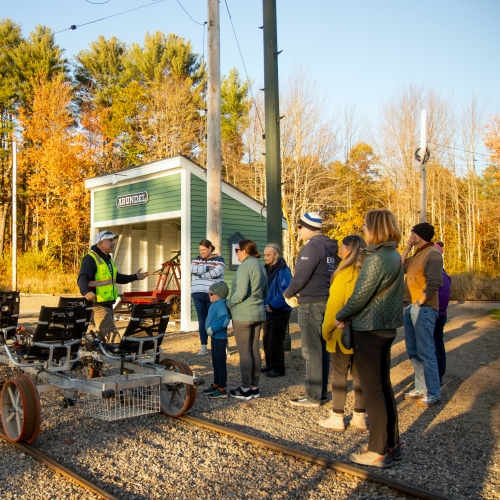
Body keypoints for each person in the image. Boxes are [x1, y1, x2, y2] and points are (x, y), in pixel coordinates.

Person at [336, 209, 403, 468]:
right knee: (383, 387)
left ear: (375, 227)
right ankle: (392, 443)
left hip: (370, 330)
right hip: (385, 329)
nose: (363, 229)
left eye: (365, 225)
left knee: (373, 390)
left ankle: (377, 449)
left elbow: (360, 295)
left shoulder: (376, 259)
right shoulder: (394, 254)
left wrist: (341, 316)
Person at [283, 212, 338, 408]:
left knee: (310, 350)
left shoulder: (313, 247)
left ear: (308, 228)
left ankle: (314, 396)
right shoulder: (330, 248)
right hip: (324, 301)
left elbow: (301, 275)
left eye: (299, 227)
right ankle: (320, 393)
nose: (297, 231)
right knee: (321, 349)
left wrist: (288, 293)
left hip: (311, 303)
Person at [320, 235, 367, 433]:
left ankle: (337, 416)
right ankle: (359, 416)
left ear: (350, 250)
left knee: (339, 375)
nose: (339, 251)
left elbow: (334, 308)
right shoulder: (367, 273)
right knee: (359, 376)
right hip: (363, 332)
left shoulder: (344, 275)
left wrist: (326, 330)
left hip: (342, 333)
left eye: (342, 248)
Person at [78, 230, 149, 343]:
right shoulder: (90, 258)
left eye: (113, 240)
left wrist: (135, 276)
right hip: (97, 306)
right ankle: (119, 359)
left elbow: (118, 277)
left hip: (108, 305)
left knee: (101, 340)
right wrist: (85, 291)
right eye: (110, 240)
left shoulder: (107, 259)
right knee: (114, 340)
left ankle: (90, 357)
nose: (113, 243)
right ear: (100, 243)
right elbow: (82, 277)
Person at [401, 222, 443, 408]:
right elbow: (399, 267)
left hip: (423, 308)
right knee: (413, 351)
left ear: (420, 235)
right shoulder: (417, 253)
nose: (411, 235)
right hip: (410, 307)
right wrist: (408, 247)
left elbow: (435, 282)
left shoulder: (433, 254)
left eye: (413, 233)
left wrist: (421, 301)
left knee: (426, 351)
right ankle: (420, 388)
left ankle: (433, 392)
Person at [227, 239, 267, 400]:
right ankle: (254, 387)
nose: (236, 253)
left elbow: (241, 292)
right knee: (254, 349)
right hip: (258, 312)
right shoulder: (261, 266)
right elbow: (266, 290)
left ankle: (244, 389)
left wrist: (228, 303)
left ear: (243, 251)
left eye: (237, 250)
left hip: (243, 314)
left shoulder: (244, 266)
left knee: (244, 351)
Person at [190, 239, 226, 356]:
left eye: (204, 250)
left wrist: (200, 274)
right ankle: (203, 346)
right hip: (198, 293)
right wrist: (207, 268)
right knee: (202, 320)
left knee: (215, 319)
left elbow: (217, 273)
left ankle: (219, 345)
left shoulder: (219, 259)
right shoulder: (197, 259)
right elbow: (192, 269)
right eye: (200, 250)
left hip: (213, 294)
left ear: (210, 248)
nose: (202, 252)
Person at [261, 244, 292, 378]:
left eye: (268, 255)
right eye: (265, 254)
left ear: (276, 255)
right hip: (269, 310)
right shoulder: (267, 269)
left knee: (275, 341)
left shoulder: (283, 270)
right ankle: (270, 364)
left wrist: (273, 305)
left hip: (279, 311)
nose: (265, 257)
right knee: (267, 339)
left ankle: (278, 368)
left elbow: (286, 290)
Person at [203, 282, 230, 399]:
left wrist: (212, 329)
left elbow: (225, 320)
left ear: (219, 294)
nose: (209, 296)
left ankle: (222, 389)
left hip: (220, 339)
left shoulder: (220, 305)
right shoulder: (215, 303)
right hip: (214, 338)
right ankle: (216, 384)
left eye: (211, 293)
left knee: (220, 364)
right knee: (215, 363)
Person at [433, 241, 451, 386]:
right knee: (435, 344)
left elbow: (444, 298)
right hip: (437, 314)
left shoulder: (441, 274)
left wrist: (436, 312)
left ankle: (437, 377)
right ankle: (436, 377)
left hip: (437, 315)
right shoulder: (439, 272)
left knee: (436, 345)